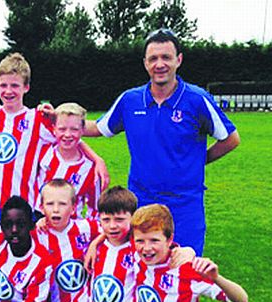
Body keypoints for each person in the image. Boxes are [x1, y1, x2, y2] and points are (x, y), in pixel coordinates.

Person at [84, 29, 240, 255]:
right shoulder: (130, 100)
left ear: (179, 60)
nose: (160, 64)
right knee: (142, 275)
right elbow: (98, 128)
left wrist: (198, 160)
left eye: (166, 57)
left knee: (184, 274)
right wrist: (57, 120)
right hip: (141, 203)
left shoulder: (196, 99)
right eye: (153, 58)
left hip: (184, 205)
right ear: (145, 63)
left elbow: (231, 139)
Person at [0, 53, 107, 223]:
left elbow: (68, 137)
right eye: (3, 85)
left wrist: (96, 159)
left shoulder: (37, 119)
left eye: (15, 86)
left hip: (22, 206)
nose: (8, 91)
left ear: (26, 87)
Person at [37, 102, 101, 219]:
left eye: (74, 129)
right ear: (54, 129)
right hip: (36, 222)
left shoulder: (90, 169)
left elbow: (94, 211)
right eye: (62, 129)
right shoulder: (44, 150)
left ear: (83, 131)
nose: (67, 134)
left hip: (69, 228)